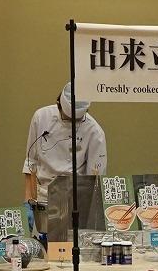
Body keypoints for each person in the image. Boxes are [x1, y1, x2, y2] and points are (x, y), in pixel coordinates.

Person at [22, 82, 108, 231]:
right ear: (59, 104)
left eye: (77, 120)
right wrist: (28, 201)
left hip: (74, 204)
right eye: (67, 118)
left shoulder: (95, 132)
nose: (72, 123)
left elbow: (94, 179)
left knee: (65, 245)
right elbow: (31, 161)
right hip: (42, 200)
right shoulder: (41, 117)